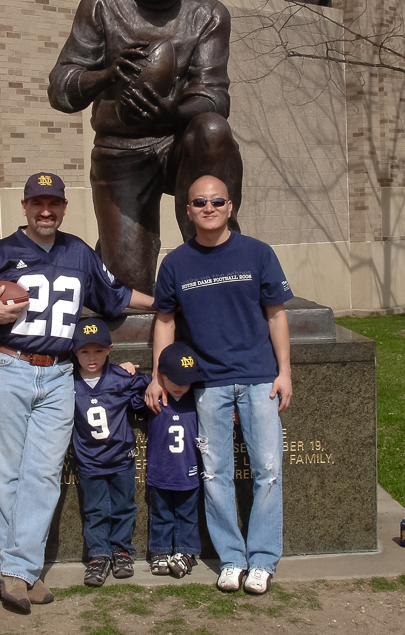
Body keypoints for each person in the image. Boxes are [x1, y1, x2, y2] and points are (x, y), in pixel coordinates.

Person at [0, 172, 153, 612]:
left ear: (63, 208)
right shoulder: (3, 251)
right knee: (4, 475)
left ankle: (15, 571)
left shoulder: (78, 251)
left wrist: (168, 301)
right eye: (37, 203)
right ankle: (19, 573)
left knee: (43, 475)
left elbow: (116, 295)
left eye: (54, 204)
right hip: (5, 366)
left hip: (59, 374)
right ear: (24, 206)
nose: (46, 211)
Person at [48, 0, 243, 295]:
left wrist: (176, 111)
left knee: (212, 129)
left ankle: (214, 260)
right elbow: (60, 87)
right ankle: (117, 251)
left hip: (178, 147)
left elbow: (213, 96)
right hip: (121, 151)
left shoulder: (208, 14)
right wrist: (105, 76)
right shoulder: (102, 4)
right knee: (131, 287)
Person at [146, 175, 293, 595]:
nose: (208, 207)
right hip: (207, 384)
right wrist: (159, 375)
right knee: (215, 473)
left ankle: (262, 559)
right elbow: (166, 321)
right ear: (188, 211)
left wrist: (285, 371)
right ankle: (231, 557)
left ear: (230, 207)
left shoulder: (258, 253)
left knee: (267, 470)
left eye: (216, 201)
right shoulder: (175, 263)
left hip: (259, 379)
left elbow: (276, 315)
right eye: (199, 202)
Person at [71, 318, 150, 587]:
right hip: (89, 461)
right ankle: (98, 555)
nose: (91, 358)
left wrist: (130, 371)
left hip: (121, 459)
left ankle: (121, 550)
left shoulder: (120, 378)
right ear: (74, 351)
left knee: (124, 507)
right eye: (84, 351)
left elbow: (148, 387)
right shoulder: (67, 382)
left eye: (98, 351)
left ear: (109, 349)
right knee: (95, 510)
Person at [147, 341, 202, 578]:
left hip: (188, 471)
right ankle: (160, 551)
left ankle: (185, 551)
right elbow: (124, 388)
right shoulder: (154, 399)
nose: (180, 386)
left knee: (187, 514)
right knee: (160, 513)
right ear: (160, 377)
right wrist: (127, 367)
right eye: (174, 380)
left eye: (185, 381)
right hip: (161, 471)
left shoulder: (198, 401)